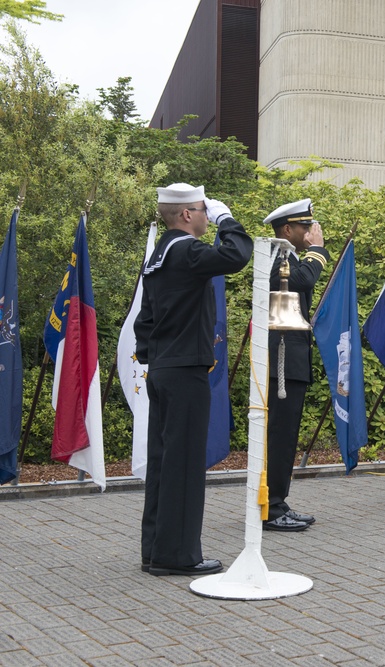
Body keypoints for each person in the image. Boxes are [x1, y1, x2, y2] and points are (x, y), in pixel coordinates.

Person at [135, 183, 252, 576]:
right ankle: (177, 555)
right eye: (203, 209)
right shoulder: (186, 250)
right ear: (187, 214)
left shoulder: (158, 255)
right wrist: (227, 219)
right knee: (184, 463)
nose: (207, 215)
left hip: (165, 367)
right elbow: (236, 255)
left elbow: (145, 318)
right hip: (185, 371)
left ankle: (155, 548)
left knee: (164, 462)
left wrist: (154, 355)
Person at [263, 199, 330, 531]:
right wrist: (318, 250)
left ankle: (276, 500)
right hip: (282, 363)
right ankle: (271, 507)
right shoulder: (281, 259)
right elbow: (304, 281)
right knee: (280, 434)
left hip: (289, 360)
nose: (312, 232)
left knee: (284, 434)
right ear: (288, 230)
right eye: (306, 227)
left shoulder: (286, 257)